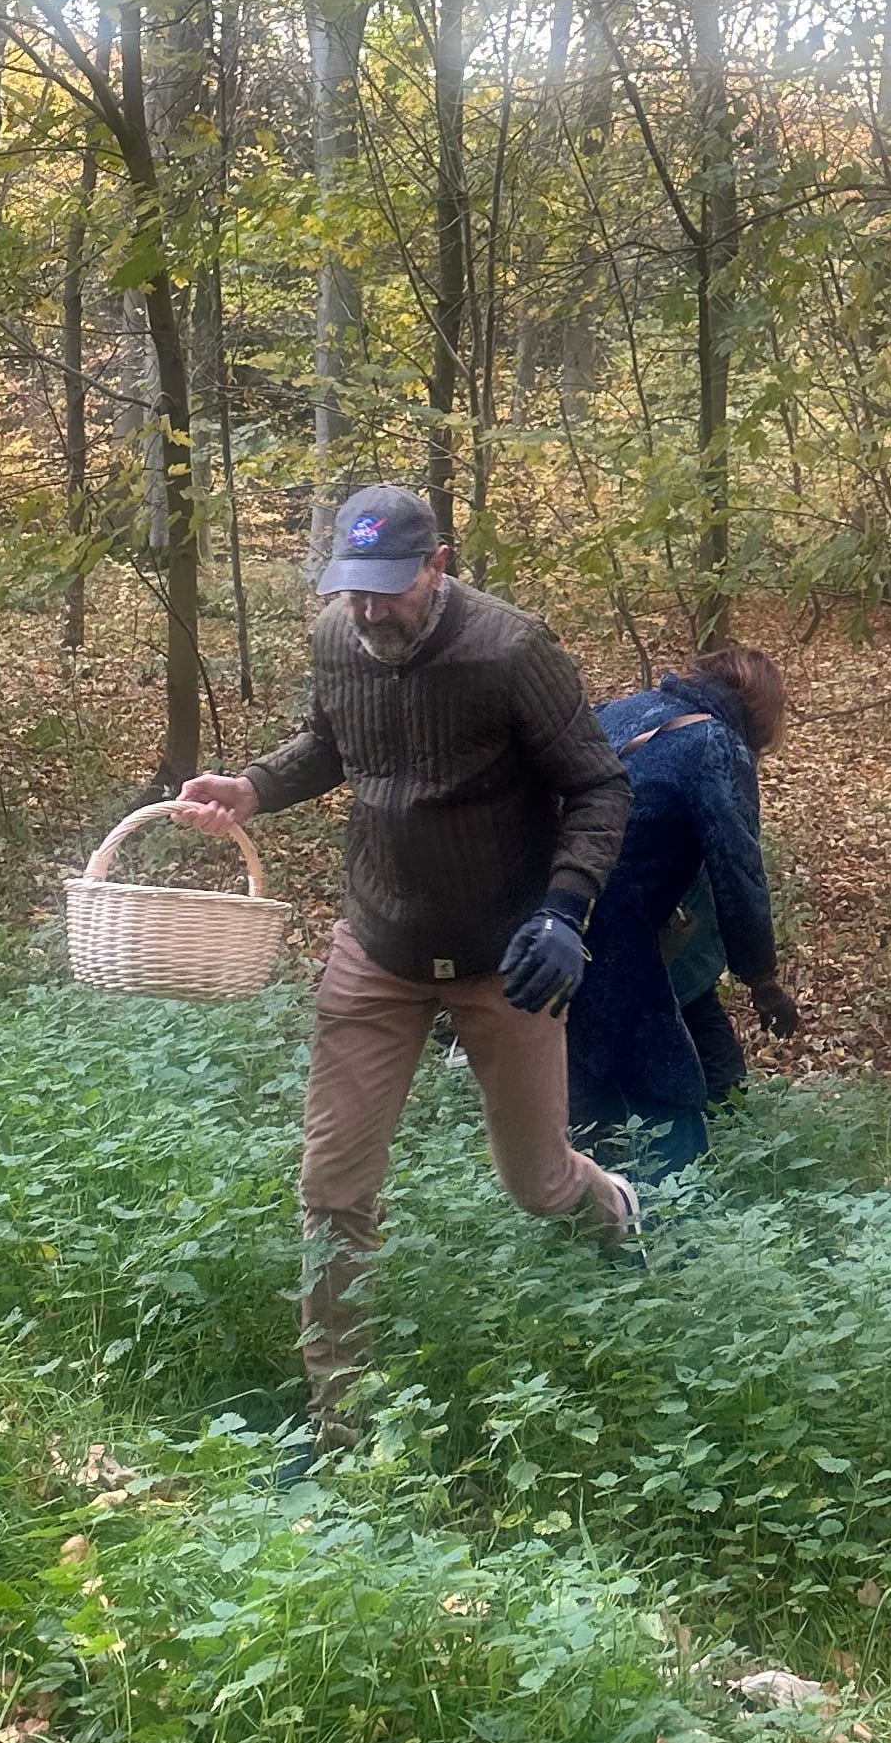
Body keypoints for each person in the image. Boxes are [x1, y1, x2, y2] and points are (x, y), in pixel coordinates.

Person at [178, 483, 641, 1446]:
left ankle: (612, 1214)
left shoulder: (513, 650)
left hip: (505, 956)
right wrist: (251, 787)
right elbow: (331, 743)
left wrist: (565, 910)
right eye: (354, 586)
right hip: (377, 946)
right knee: (334, 1189)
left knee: (535, 1184)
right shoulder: (338, 638)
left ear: (439, 566)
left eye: (390, 587)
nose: (370, 608)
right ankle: (337, 1424)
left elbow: (599, 785)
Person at [564, 646, 798, 1179]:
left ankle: (591, 1230)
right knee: (666, 1089)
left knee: (583, 1079)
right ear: (761, 709)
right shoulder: (714, 743)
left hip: (553, 912)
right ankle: (681, 1238)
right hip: (616, 928)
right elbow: (739, 873)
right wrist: (762, 979)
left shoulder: (620, 710)